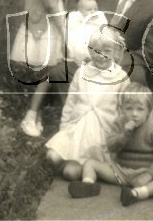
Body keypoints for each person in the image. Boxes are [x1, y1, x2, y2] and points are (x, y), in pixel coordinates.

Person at [9, 0, 89, 137]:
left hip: (54, 18)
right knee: (47, 72)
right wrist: (64, 33)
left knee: (48, 72)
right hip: (43, 21)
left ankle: (35, 113)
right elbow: (50, 2)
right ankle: (30, 116)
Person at [68, 83, 153, 207]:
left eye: (140, 109)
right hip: (120, 171)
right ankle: (88, 185)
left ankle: (137, 194)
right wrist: (124, 135)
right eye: (129, 108)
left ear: (149, 111)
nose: (134, 113)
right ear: (122, 109)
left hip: (145, 172)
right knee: (90, 163)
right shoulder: (119, 123)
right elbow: (111, 146)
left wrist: (148, 175)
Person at [46, 29, 130, 181]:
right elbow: (71, 102)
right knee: (52, 156)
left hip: (102, 133)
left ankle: (89, 168)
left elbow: (123, 110)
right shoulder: (82, 72)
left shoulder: (121, 77)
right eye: (96, 51)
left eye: (107, 50)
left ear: (116, 52)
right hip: (77, 128)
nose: (101, 55)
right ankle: (75, 162)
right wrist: (64, 128)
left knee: (70, 174)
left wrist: (118, 136)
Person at [67, 0, 107, 68]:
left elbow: (104, 26)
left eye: (95, 9)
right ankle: (80, 58)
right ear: (80, 11)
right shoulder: (75, 17)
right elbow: (71, 26)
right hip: (80, 37)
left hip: (94, 38)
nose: (93, 11)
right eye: (89, 10)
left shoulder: (100, 17)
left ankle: (91, 59)